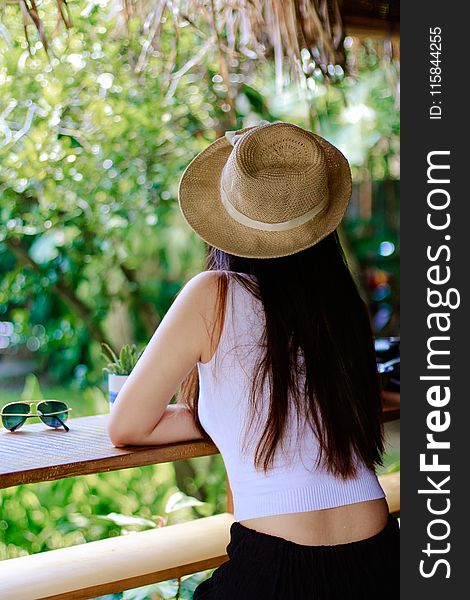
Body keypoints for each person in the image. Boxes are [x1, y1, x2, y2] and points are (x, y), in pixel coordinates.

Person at [107, 121, 400, 599]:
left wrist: (226, 416)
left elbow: (127, 426)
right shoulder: (340, 303)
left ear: (228, 217)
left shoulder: (213, 294)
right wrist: (235, 412)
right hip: (381, 551)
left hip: (280, 564)